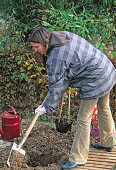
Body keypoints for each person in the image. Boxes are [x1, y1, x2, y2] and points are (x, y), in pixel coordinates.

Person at [30, 27, 116, 169]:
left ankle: (78, 158)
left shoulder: (56, 57)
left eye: (36, 47)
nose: (35, 50)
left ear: (44, 42)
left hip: (95, 78)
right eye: (33, 47)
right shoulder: (61, 36)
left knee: (83, 119)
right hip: (105, 68)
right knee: (104, 107)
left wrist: (46, 107)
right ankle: (108, 142)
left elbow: (57, 86)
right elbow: (63, 79)